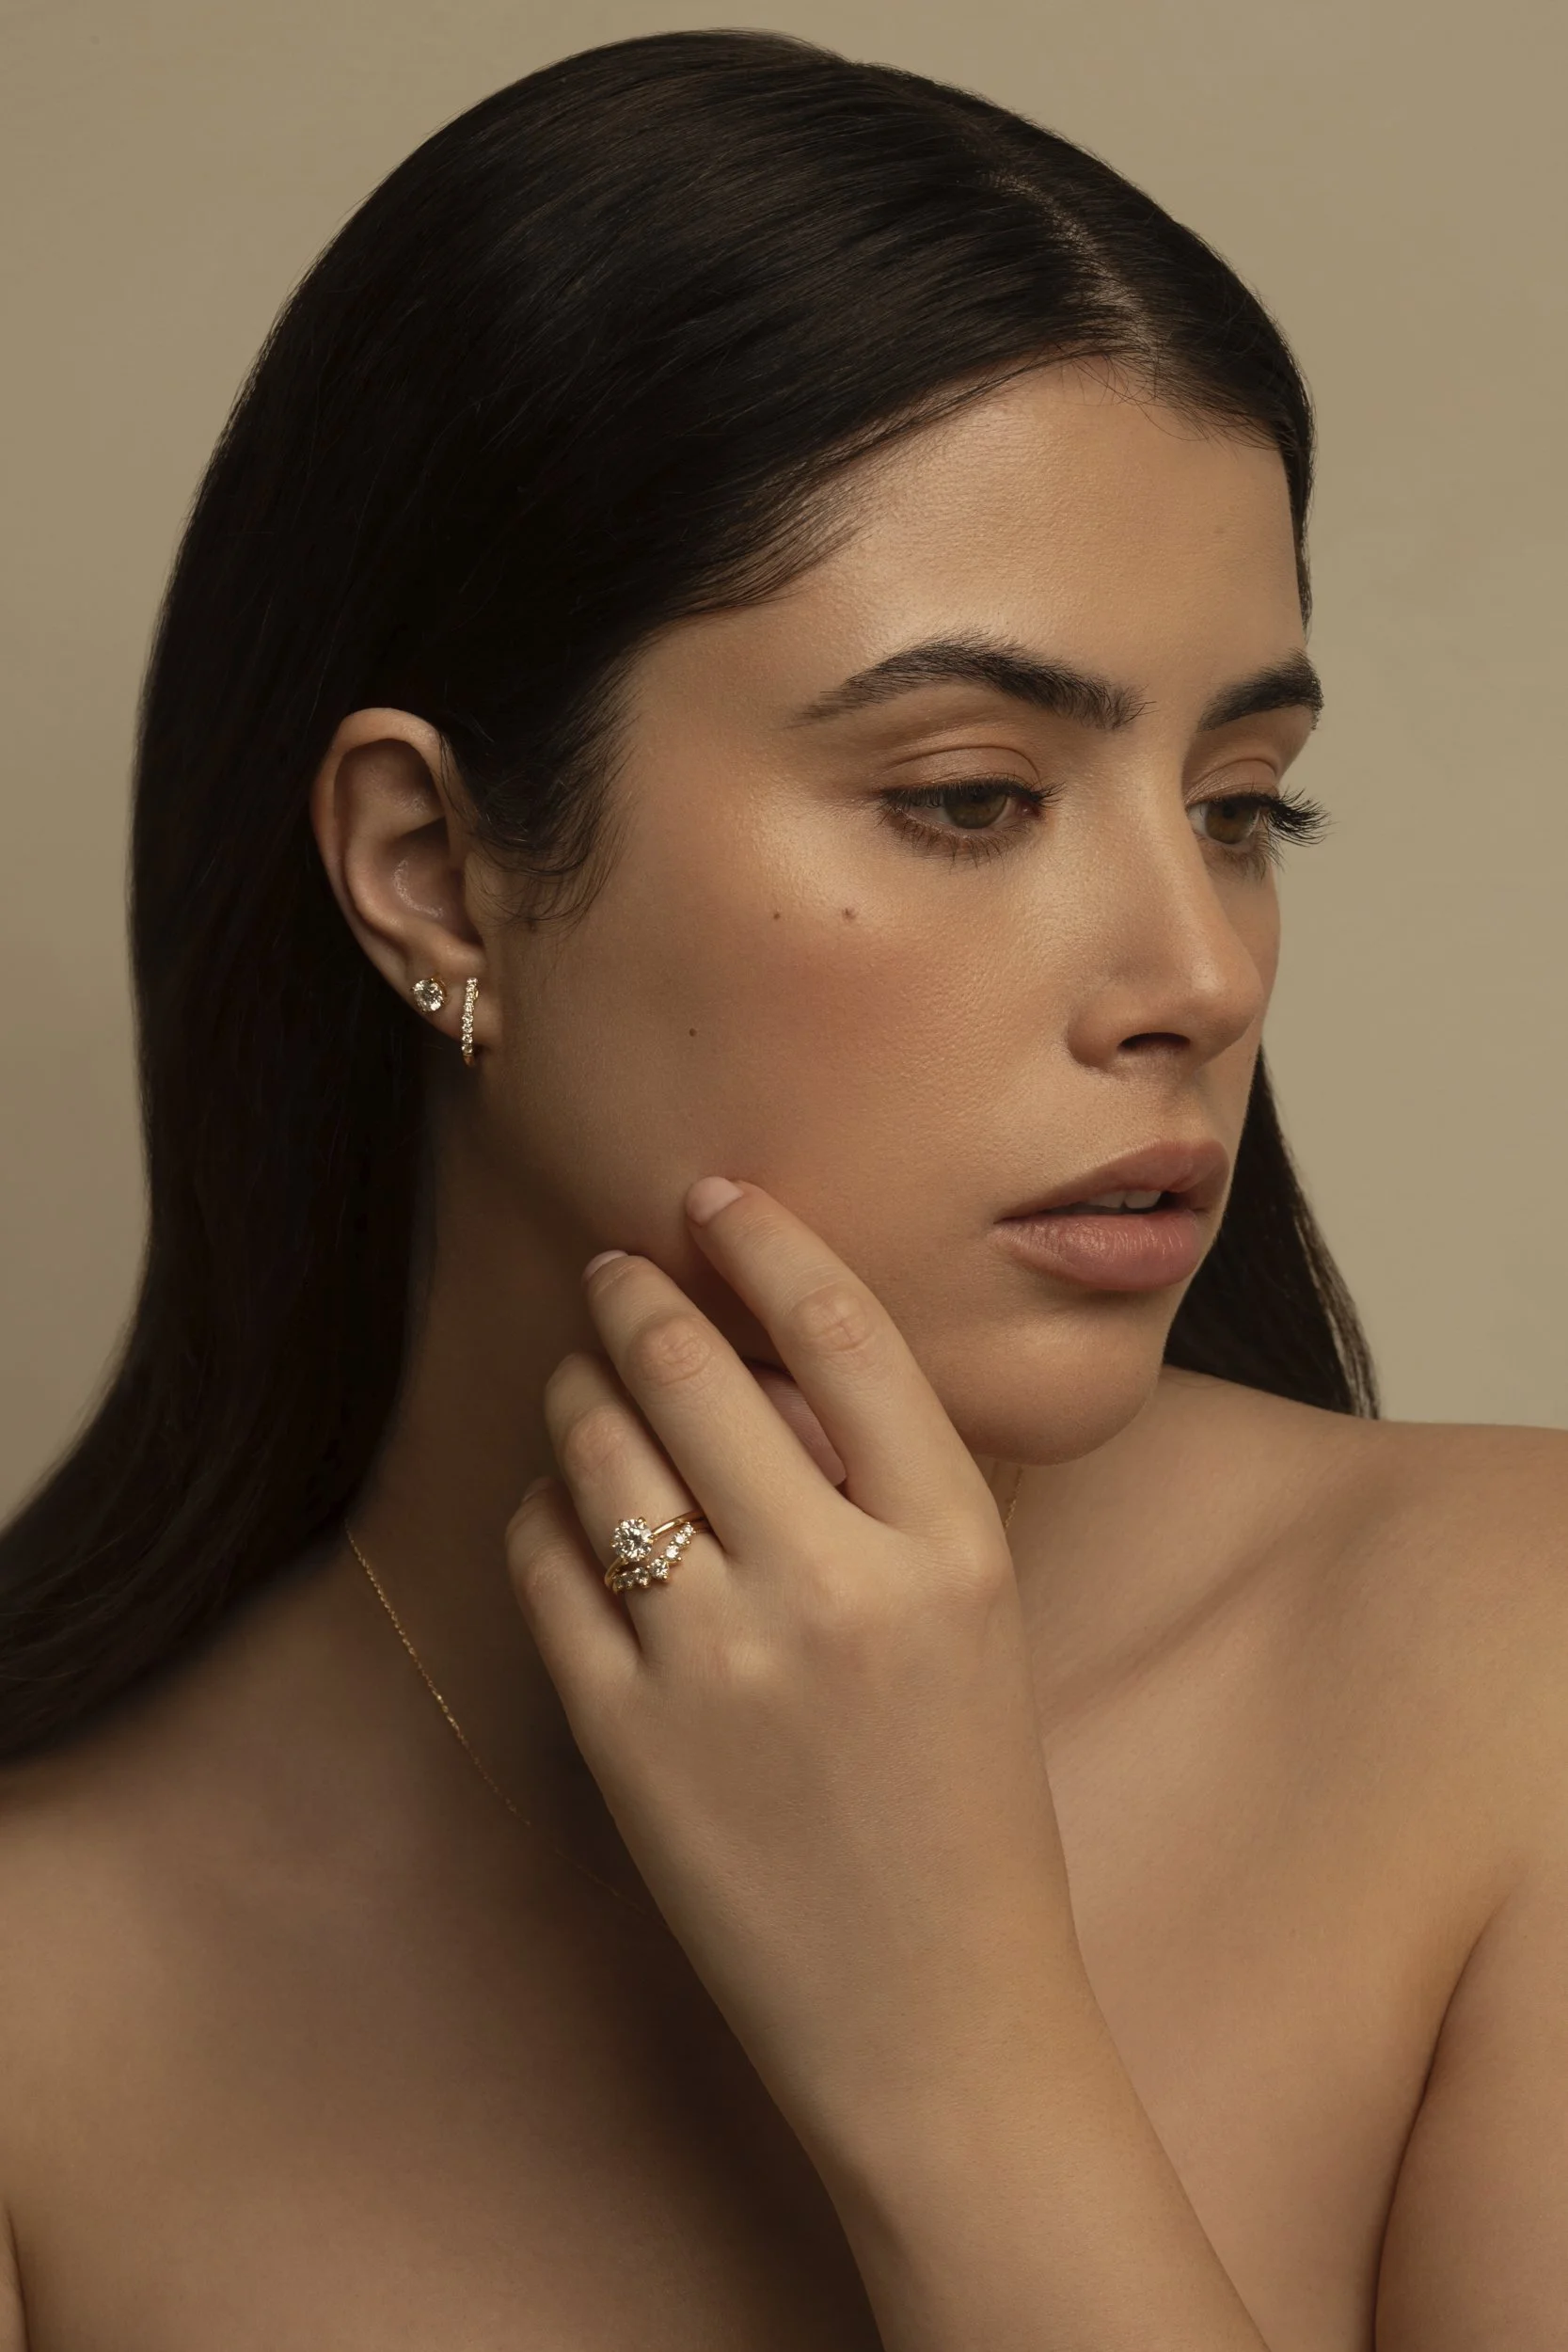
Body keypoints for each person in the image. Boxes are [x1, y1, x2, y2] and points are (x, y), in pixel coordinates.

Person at [1, 27, 1563, 2349]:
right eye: (962, 792)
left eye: (1241, 800)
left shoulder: (1506, 1684)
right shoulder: (53, 1991)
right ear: (434, 869)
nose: (1194, 969)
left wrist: (953, 2046)